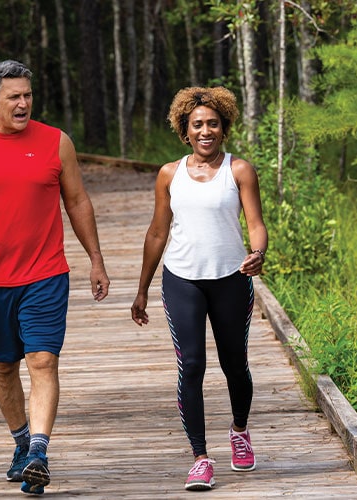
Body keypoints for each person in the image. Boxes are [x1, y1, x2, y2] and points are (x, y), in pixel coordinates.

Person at [0, 59, 110, 496]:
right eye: (14, 96)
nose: (23, 103)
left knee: (43, 361)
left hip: (45, 274)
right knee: (2, 366)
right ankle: (19, 442)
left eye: (27, 95)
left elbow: (78, 202)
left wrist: (96, 260)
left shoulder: (56, 142)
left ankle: (39, 452)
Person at [130, 86, 269, 491]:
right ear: (184, 130)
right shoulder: (169, 174)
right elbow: (157, 232)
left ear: (224, 128)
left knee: (234, 364)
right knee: (191, 366)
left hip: (231, 278)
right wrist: (141, 290)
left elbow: (256, 224)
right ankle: (200, 458)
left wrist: (257, 252)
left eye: (212, 123)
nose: (205, 131)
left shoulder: (238, 170)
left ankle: (240, 431)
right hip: (182, 279)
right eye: (197, 125)